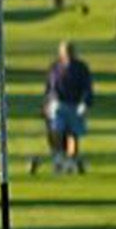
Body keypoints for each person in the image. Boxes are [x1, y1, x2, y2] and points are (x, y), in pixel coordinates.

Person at [43, 39, 96, 175]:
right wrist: (49, 103)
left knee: (73, 134)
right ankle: (59, 158)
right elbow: (50, 88)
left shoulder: (81, 68)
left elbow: (87, 88)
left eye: (70, 51)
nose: (68, 54)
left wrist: (85, 103)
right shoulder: (54, 68)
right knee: (57, 131)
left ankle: (72, 160)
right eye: (65, 52)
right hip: (59, 105)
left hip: (75, 105)